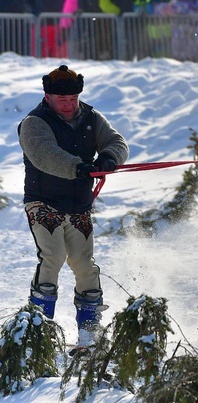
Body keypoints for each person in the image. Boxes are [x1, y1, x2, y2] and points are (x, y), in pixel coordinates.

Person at [19, 64, 129, 348]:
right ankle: (39, 332)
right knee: (53, 257)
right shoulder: (34, 123)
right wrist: (77, 167)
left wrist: (109, 157)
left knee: (84, 265)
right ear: (47, 97)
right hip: (43, 203)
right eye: (62, 100)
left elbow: (117, 142)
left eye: (73, 100)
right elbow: (44, 154)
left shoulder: (91, 117)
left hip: (79, 205)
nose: (69, 106)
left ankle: (89, 332)